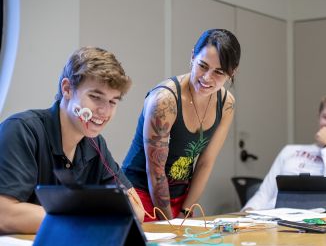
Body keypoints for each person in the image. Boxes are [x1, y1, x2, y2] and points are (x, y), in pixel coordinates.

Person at [0, 47, 144, 234]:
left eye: (112, 102)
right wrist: (87, 216)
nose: (104, 111)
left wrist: (86, 216)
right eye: (95, 97)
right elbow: (5, 214)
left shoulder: (95, 144)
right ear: (67, 89)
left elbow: (136, 210)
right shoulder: (22, 130)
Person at [122, 29, 241, 221]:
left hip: (180, 195)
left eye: (218, 72)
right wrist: (170, 222)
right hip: (140, 193)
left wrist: (185, 211)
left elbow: (205, 162)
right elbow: (155, 171)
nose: (207, 78)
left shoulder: (227, 104)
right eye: (203, 66)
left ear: (232, 72)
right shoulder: (164, 101)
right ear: (193, 56)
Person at [242, 92, 326, 211]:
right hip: (273, 218)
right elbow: (265, 192)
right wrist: (246, 213)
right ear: (319, 117)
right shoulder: (290, 150)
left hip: (317, 224)